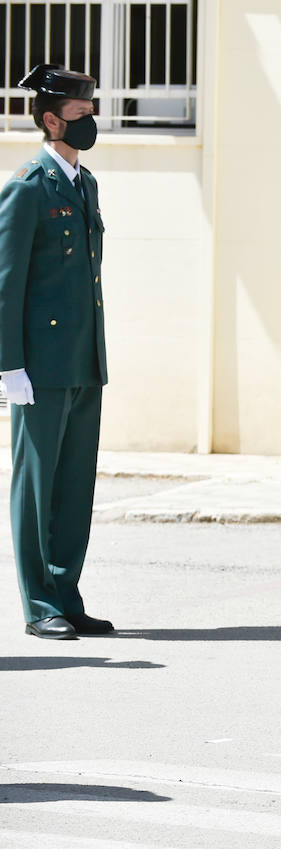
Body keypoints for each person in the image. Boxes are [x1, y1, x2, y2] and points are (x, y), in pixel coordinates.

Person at [0, 65, 112, 641]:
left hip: (83, 361)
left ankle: (67, 594)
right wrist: (8, 364)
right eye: (80, 112)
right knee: (37, 485)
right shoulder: (26, 185)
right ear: (50, 119)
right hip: (38, 367)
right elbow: (6, 280)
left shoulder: (83, 183)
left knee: (74, 486)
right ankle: (40, 602)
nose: (91, 118)